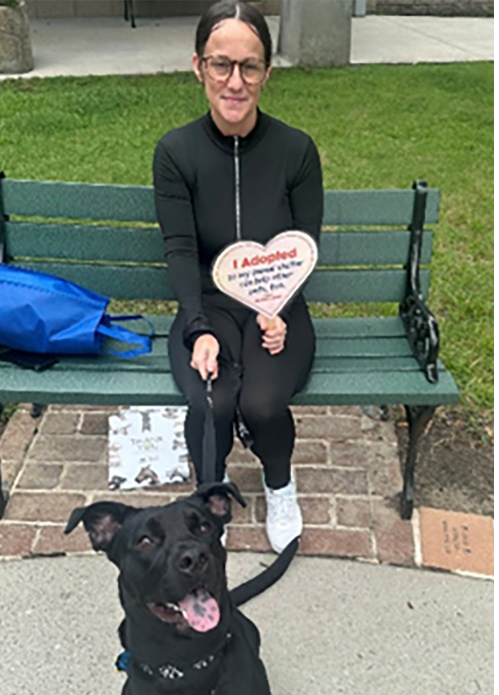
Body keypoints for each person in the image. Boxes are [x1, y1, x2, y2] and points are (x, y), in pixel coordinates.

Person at [153, 1, 323, 553]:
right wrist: (198, 328)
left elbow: (302, 246)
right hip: (209, 305)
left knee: (262, 403)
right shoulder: (176, 152)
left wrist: (281, 311)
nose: (235, 81)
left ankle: (280, 484)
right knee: (212, 401)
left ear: (267, 72)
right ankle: (206, 504)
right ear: (198, 66)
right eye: (220, 64)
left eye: (249, 66)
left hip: (276, 302)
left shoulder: (296, 150)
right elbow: (180, 248)